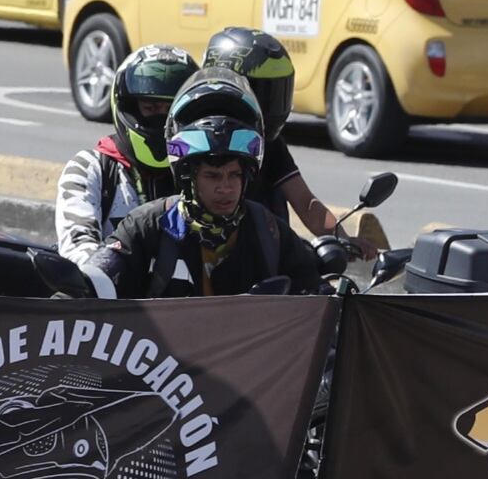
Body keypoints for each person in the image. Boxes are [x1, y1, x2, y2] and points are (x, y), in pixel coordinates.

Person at [92, 79, 311, 299]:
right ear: (189, 178)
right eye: (212, 176)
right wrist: (81, 280)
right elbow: (96, 282)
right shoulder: (145, 226)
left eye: (234, 175)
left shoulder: (270, 231)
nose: (225, 188)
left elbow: (316, 293)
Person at [198, 25, 349, 240]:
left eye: (274, 93)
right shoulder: (194, 140)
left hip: (265, 256)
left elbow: (305, 202)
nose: (269, 106)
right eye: (260, 94)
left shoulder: (270, 144)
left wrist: (343, 241)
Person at [57, 42, 196, 262]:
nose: (160, 119)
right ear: (128, 106)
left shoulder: (199, 173)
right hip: (112, 293)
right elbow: (78, 250)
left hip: (184, 295)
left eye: (169, 111)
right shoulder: (89, 169)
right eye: (149, 108)